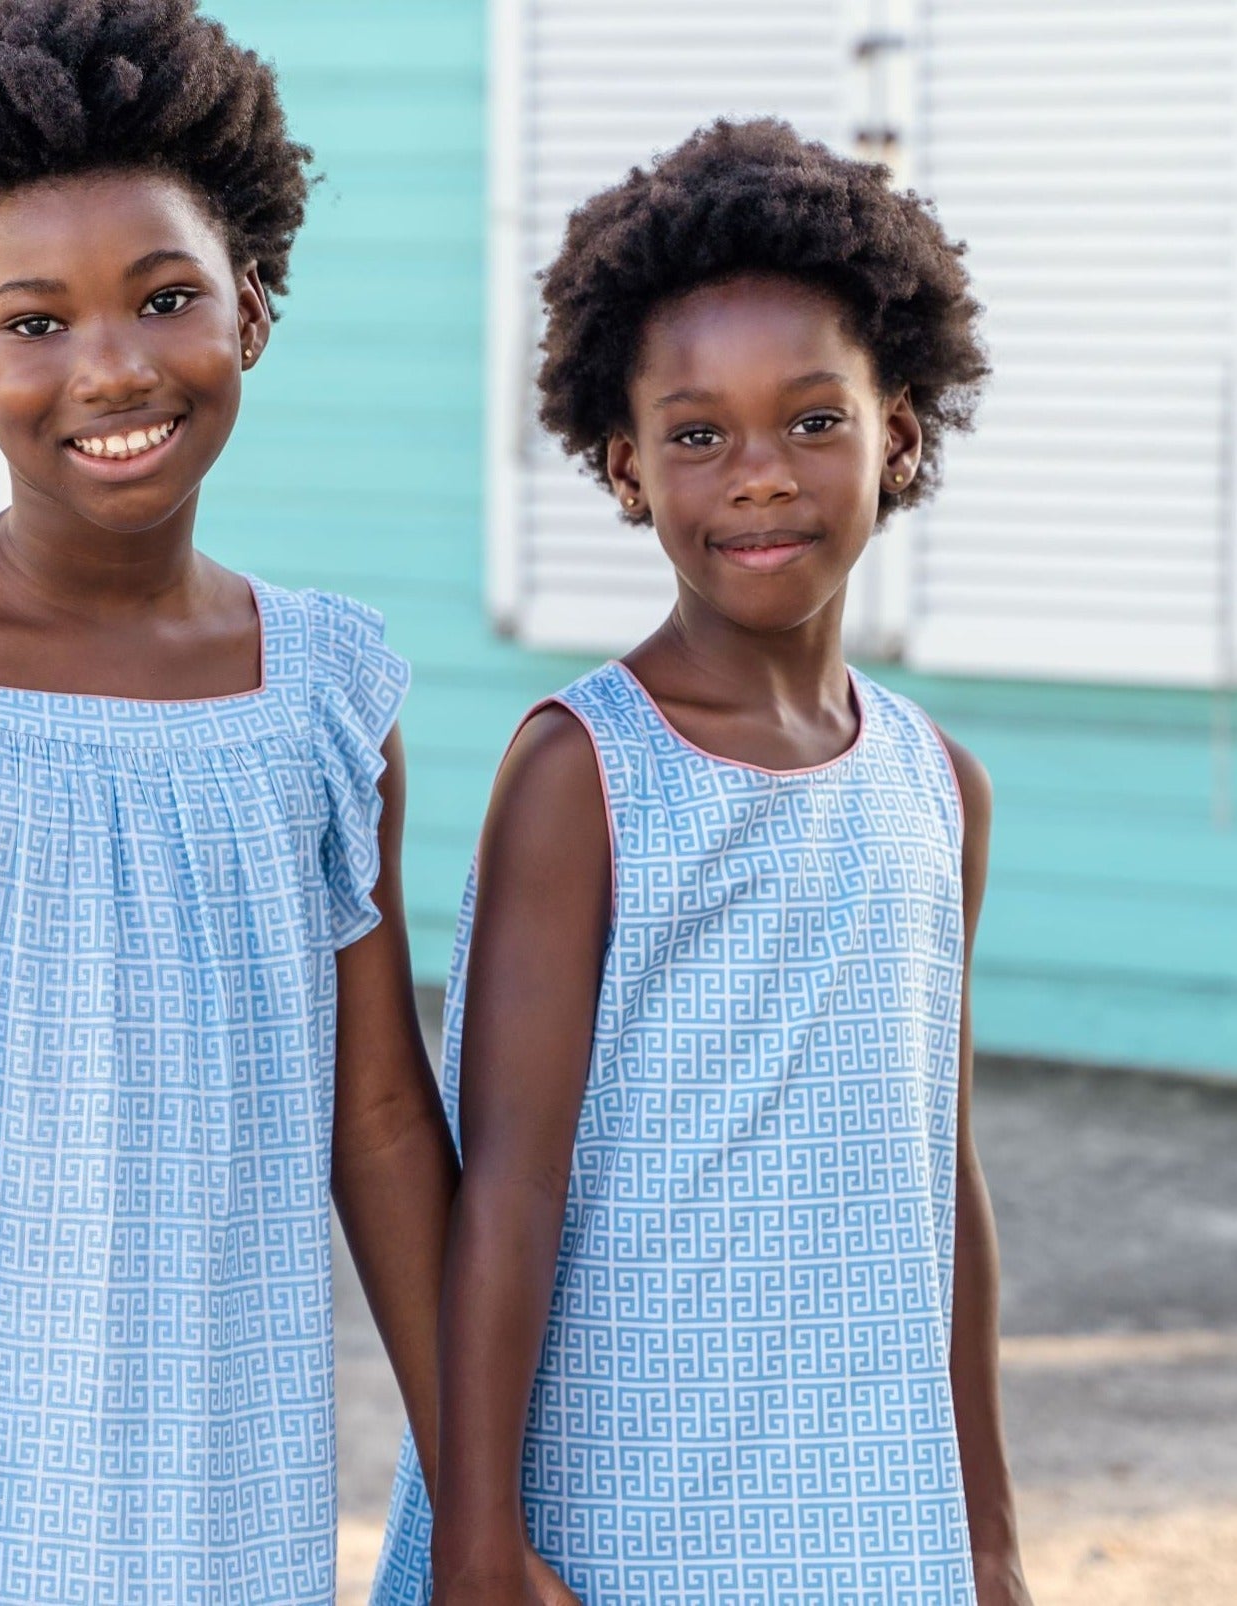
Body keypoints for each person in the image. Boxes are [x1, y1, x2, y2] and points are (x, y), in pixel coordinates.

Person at [0, 3, 461, 1602]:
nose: (111, 364)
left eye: (165, 297)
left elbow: (381, 1120)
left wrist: (477, 1492)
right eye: (35, 321)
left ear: (250, 312)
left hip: (222, 1500)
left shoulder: (324, 700)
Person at [373, 118, 1032, 1605]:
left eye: (812, 420)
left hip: (856, 1510)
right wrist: (479, 1532)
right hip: (620, 1498)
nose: (757, 476)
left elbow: (942, 1183)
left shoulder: (938, 789)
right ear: (622, 466)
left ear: (900, 434)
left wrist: (981, 1528)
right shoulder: (582, 775)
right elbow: (509, 1191)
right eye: (695, 433)